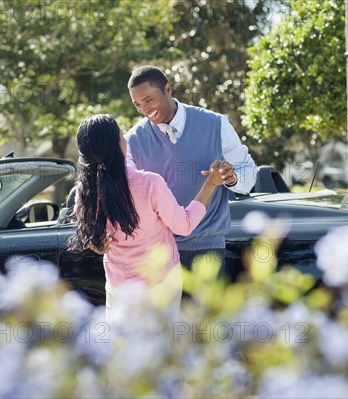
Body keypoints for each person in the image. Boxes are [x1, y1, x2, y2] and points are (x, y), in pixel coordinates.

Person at [68, 114, 226, 318]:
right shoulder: (150, 183)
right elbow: (184, 225)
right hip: (161, 285)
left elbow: (93, 241)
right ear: (118, 144)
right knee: (161, 347)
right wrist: (210, 184)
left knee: (122, 347)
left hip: (119, 288)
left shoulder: (85, 191)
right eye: (121, 136)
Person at [125, 65, 257, 273]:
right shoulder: (133, 140)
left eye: (148, 100)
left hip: (207, 250)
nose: (144, 110)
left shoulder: (216, 124)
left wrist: (231, 178)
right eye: (137, 105)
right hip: (157, 255)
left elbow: (248, 173)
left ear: (167, 89)